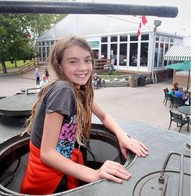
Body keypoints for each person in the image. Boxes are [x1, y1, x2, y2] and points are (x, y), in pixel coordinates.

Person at [20, 36, 148, 195]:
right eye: (73, 62)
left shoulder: (78, 90)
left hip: (62, 168)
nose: (83, 67)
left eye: (87, 60)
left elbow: (104, 116)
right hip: (47, 179)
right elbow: (47, 154)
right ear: (59, 65)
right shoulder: (63, 90)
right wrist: (94, 174)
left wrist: (122, 137)